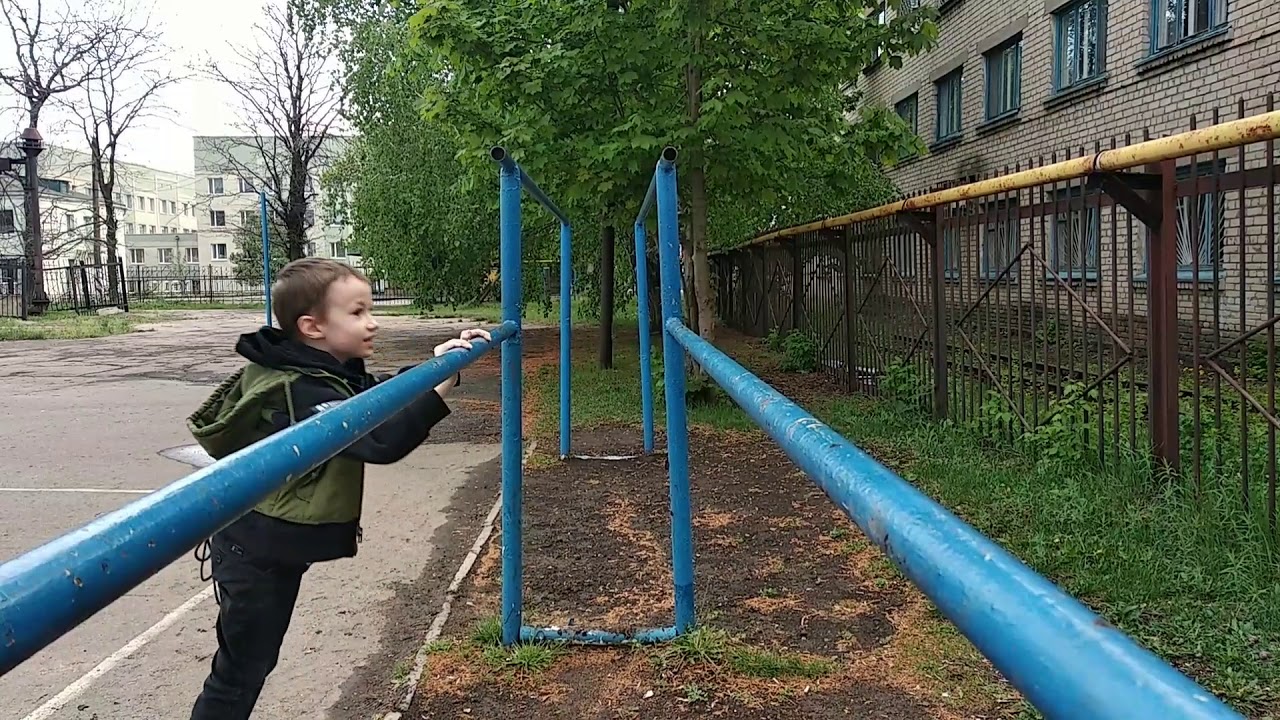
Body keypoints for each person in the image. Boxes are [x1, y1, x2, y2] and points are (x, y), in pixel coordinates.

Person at [185, 258, 490, 719]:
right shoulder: (300, 388)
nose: (372, 322)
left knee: (249, 664)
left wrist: (436, 367)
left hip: (269, 543)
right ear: (313, 326)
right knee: (240, 672)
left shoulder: (324, 370)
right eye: (357, 312)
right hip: (254, 549)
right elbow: (378, 437)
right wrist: (437, 382)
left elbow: (373, 398)